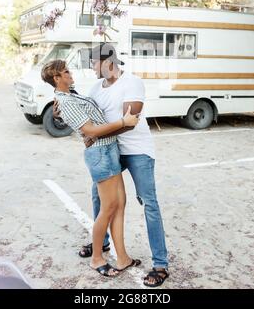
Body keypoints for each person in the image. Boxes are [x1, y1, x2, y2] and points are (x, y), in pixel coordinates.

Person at [41, 59, 141, 277]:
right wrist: (125, 122)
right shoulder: (65, 101)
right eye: (66, 71)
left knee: (120, 204)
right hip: (100, 154)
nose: (70, 73)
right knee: (108, 208)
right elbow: (91, 130)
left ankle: (122, 257)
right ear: (57, 78)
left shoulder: (70, 95)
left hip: (109, 149)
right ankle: (97, 258)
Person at [81, 43, 169, 288]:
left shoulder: (132, 82)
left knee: (149, 203)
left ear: (108, 61)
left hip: (137, 151)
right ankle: (103, 242)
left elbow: (129, 122)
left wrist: (96, 134)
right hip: (110, 151)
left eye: (94, 62)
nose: (92, 66)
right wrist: (61, 109)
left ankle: (160, 264)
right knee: (99, 198)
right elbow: (84, 112)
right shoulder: (96, 87)